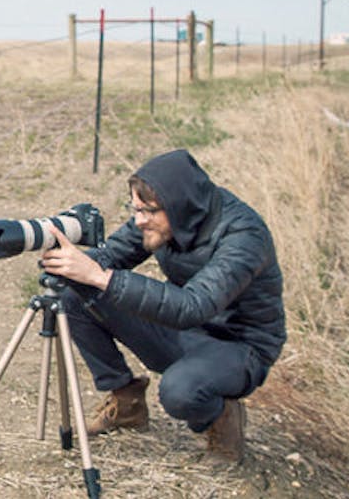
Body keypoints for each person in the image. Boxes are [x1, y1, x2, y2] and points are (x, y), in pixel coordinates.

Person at [38, 149, 285, 463]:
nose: (139, 220)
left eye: (148, 211)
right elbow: (112, 255)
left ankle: (223, 417)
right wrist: (69, 262)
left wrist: (101, 277)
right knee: (74, 295)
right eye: (135, 209)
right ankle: (126, 403)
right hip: (183, 327)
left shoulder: (243, 236)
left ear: (179, 206)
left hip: (239, 345)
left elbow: (194, 305)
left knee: (180, 392)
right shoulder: (166, 215)